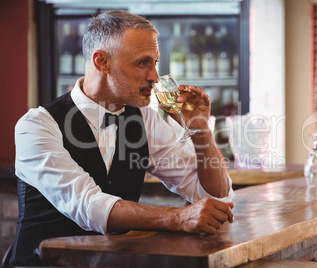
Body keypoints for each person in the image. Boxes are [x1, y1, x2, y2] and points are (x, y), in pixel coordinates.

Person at [11, 10, 235, 266]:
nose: (154, 76)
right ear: (101, 62)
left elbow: (215, 196)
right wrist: (177, 218)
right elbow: (89, 206)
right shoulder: (36, 125)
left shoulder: (144, 118)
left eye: (155, 63)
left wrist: (200, 130)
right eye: (143, 63)